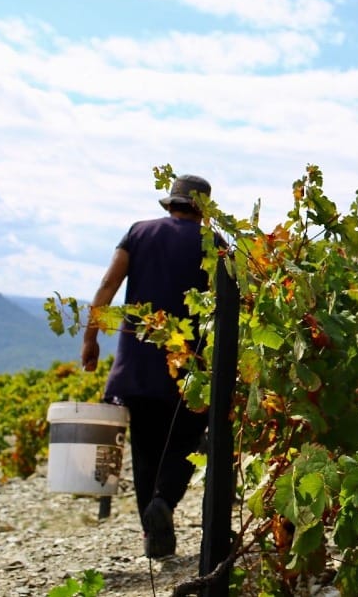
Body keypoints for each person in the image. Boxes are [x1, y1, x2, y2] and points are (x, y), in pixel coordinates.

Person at [82, 174, 214, 559]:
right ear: (203, 209)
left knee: (145, 449)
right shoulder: (214, 244)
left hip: (137, 364)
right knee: (187, 440)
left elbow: (108, 285)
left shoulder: (138, 233)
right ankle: (164, 501)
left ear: (172, 203)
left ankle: (153, 537)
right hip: (189, 366)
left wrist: (90, 339)